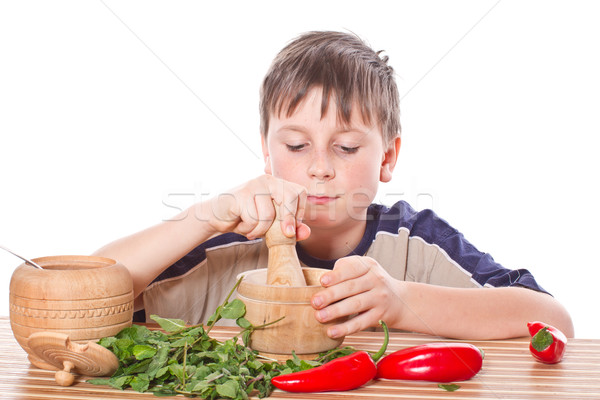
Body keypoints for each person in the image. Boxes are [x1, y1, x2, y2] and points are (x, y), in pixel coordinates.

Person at [94, 31, 574, 340]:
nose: (320, 168)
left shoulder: (416, 243)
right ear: (267, 149)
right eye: (298, 146)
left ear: (386, 157)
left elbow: (555, 321)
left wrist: (400, 300)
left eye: (346, 148)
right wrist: (205, 216)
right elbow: (88, 292)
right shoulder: (226, 247)